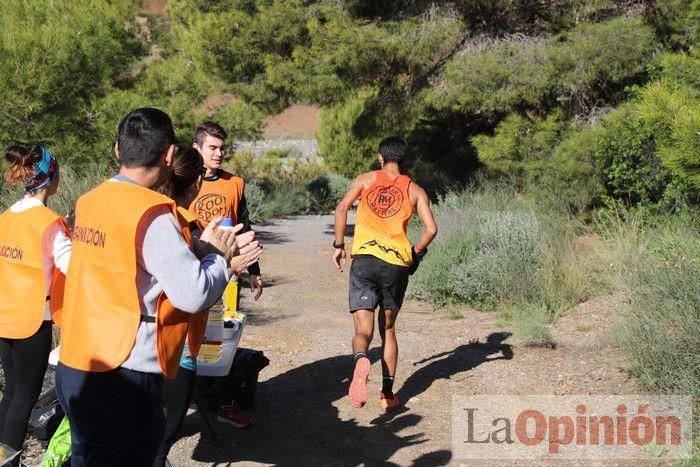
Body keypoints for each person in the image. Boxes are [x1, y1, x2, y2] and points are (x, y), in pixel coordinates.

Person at [55, 108, 242, 466]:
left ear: (117, 150)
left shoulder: (88, 201)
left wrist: (198, 249)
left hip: (75, 359)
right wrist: (219, 257)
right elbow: (193, 293)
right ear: (169, 156)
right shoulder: (153, 214)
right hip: (122, 371)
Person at [154, 147, 262, 467]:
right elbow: (194, 292)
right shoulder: (181, 223)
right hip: (178, 340)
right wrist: (226, 264)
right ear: (198, 182)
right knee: (166, 429)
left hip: (149, 340)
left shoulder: (162, 217)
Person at [333, 136, 438, 412]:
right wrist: (414, 252)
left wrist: (338, 245)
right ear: (404, 160)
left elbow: (342, 207)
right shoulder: (416, 191)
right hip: (395, 265)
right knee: (388, 328)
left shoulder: (366, 179)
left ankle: (360, 360)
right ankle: (388, 394)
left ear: (381, 157)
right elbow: (431, 229)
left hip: (364, 260)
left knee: (363, 329)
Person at [0, 144, 71, 466]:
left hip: (4, 316)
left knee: (12, 393)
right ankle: (8, 462)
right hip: (32, 320)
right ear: (49, 177)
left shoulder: (7, 216)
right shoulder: (49, 222)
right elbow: (72, 265)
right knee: (24, 398)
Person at [189, 121, 261, 428]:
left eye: (222, 148)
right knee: (188, 337)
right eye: (212, 148)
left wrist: (254, 272)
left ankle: (227, 402)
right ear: (197, 149)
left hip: (228, 275)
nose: (219, 154)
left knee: (223, 338)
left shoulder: (235, 183)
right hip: (191, 275)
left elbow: (245, 226)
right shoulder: (184, 181)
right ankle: (186, 395)